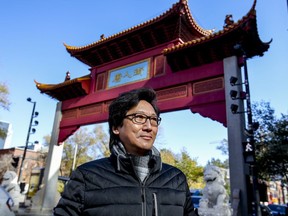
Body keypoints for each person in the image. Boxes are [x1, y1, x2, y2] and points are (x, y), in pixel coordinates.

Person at [54, 87, 197, 216]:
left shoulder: (176, 179)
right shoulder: (87, 177)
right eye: (139, 118)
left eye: (153, 119)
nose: (149, 127)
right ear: (116, 127)